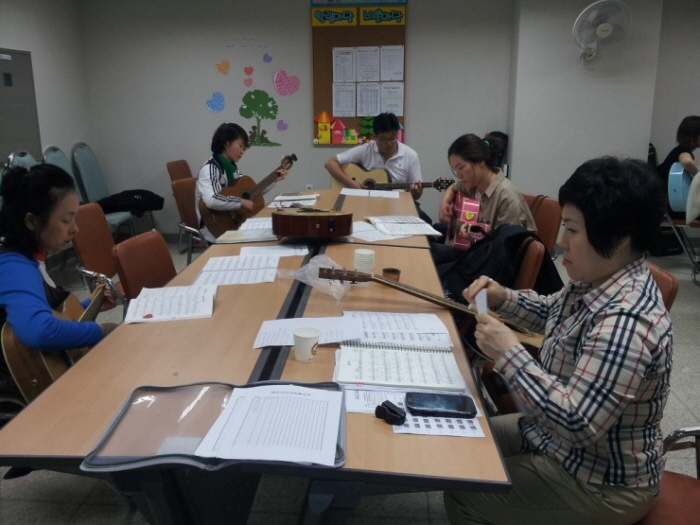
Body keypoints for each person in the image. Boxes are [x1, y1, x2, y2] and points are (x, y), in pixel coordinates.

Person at [445, 157, 672, 525]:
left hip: (600, 481)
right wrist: (502, 296)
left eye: (573, 230)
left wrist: (509, 353)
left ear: (620, 238)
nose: (562, 243)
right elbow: (552, 309)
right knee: (468, 434)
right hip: (555, 440)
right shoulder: (598, 279)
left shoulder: (627, 321)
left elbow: (577, 422)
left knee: (466, 491)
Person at [0, 164, 117, 401]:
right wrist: (100, 331)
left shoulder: (29, 257)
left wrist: (89, 305)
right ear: (31, 221)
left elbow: (44, 313)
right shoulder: (13, 265)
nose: (76, 229)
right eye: (66, 220)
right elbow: (39, 331)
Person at [432, 133, 535, 265]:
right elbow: (453, 187)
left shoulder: (507, 197)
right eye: (455, 170)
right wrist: (444, 202)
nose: (459, 175)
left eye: (461, 167)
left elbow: (504, 250)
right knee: (428, 238)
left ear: (480, 161)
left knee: (431, 254)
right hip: (473, 250)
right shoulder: (472, 183)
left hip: (489, 263)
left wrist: (473, 239)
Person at [196, 122, 288, 243]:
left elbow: (249, 194)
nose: (242, 151)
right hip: (214, 227)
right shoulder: (210, 169)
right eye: (240, 146)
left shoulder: (232, 168)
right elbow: (211, 200)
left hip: (233, 221)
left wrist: (273, 180)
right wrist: (240, 202)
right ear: (227, 143)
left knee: (272, 233)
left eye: (244, 148)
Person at [324, 112, 423, 200]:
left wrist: (415, 193)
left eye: (392, 138)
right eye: (383, 139)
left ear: (397, 134)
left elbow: (417, 195)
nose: (388, 143)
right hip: (368, 202)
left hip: (398, 203)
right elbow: (330, 163)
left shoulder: (410, 155)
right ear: (374, 137)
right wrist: (351, 183)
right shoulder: (366, 150)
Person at [657, 115, 700, 219]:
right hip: (672, 208)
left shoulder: (678, 150)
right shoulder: (683, 151)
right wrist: (698, 176)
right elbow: (687, 162)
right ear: (694, 136)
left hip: (666, 206)